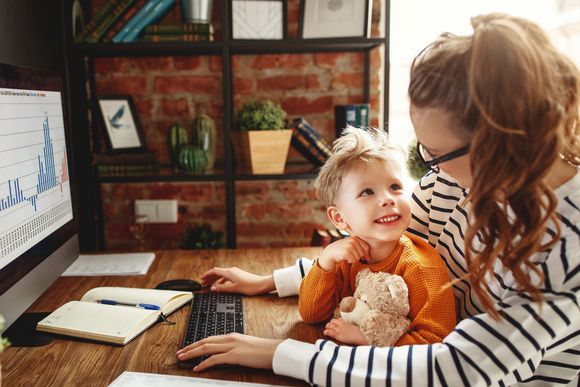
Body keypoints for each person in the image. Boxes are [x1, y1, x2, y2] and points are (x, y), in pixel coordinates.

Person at [177, 13, 580, 386]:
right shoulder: (457, 182)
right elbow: (376, 246)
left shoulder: (569, 247)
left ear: (497, 144)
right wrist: (270, 281)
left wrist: (283, 354)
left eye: (435, 153)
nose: (430, 167)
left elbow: (459, 369)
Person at [297, 126, 456, 346]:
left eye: (395, 187)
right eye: (367, 192)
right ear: (339, 218)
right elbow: (310, 314)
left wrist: (367, 338)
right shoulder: (344, 258)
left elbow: (434, 341)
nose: (388, 199)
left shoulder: (421, 269)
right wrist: (325, 262)